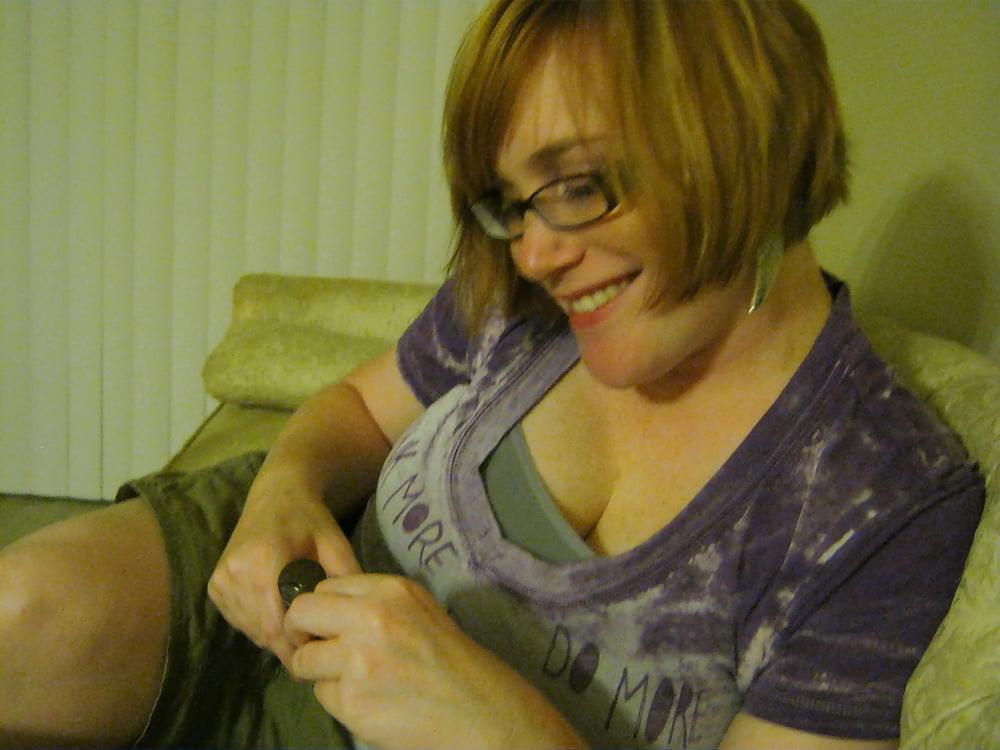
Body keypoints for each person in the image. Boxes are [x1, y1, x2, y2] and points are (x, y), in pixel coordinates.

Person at [0, 1, 984, 748]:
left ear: (747, 137)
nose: (533, 254)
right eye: (512, 204)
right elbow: (358, 409)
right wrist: (283, 492)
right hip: (263, 618)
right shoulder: (523, 300)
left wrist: (499, 725)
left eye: (577, 186)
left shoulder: (879, 504)